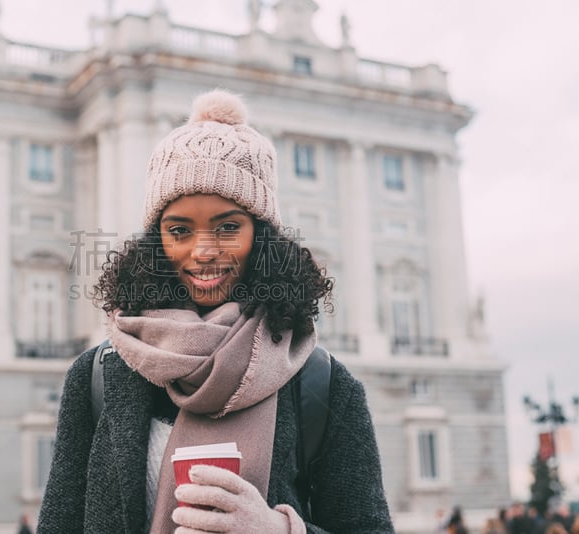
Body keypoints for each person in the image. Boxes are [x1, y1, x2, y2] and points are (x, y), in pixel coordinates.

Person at [37, 90, 393, 533]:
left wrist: (280, 530)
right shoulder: (97, 376)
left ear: (261, 237)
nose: (203, 251)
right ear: (157, 243)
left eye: (227, 227)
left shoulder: (323, 384)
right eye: (179, 230)